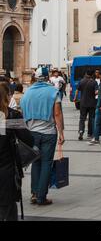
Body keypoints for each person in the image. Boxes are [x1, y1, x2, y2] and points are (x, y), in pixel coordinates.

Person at [20, 67, 65, 206]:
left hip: (32, 133)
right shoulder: (53, 91)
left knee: (36, 162)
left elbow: (22, 112)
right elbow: (57, 113)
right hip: (48, 134)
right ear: (47, 77)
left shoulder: (27, 93)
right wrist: (61, 132)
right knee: (46, 163)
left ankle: (34, 193)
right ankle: (41, 196)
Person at [0, 81, 34, 221]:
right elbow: (28, 140)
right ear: (7, 97)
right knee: (8, 207)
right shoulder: (12, 116)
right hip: (5, 168)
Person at [74, 70, 97, 141]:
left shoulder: (81, 81)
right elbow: (96, 92)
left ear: (86, 73)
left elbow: (77, 90)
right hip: (92, 103)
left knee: (82, 118)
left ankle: (81, 131)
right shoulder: (94, 82)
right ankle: (90, 133)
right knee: (91, 118)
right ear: (92, 74)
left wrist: (75, 98)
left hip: (83, 103)